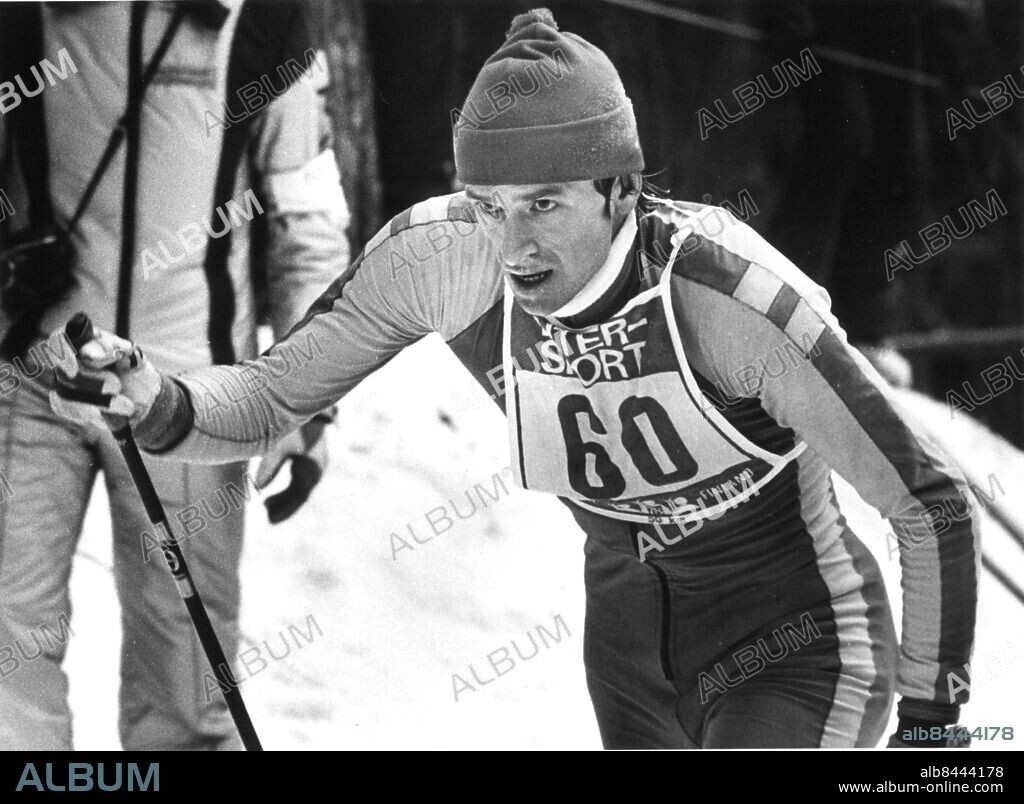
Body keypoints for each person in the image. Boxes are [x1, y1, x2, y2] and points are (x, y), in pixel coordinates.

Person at [51, 8, 978, 749]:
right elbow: (270, 395)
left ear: (621, 190)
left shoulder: (724, 298)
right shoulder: (442, 259)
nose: (515, 244)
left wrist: (929, 730)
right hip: (628, 655)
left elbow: (928, 502)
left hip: (797, 645)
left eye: (545, 204)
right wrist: (161, 398)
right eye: (490, 206)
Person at [0, 0, 349, 750]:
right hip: (28, 377)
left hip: (188, 397)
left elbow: (306, 225)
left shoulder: (259, 20)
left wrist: (304, 407)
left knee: (186, 698)